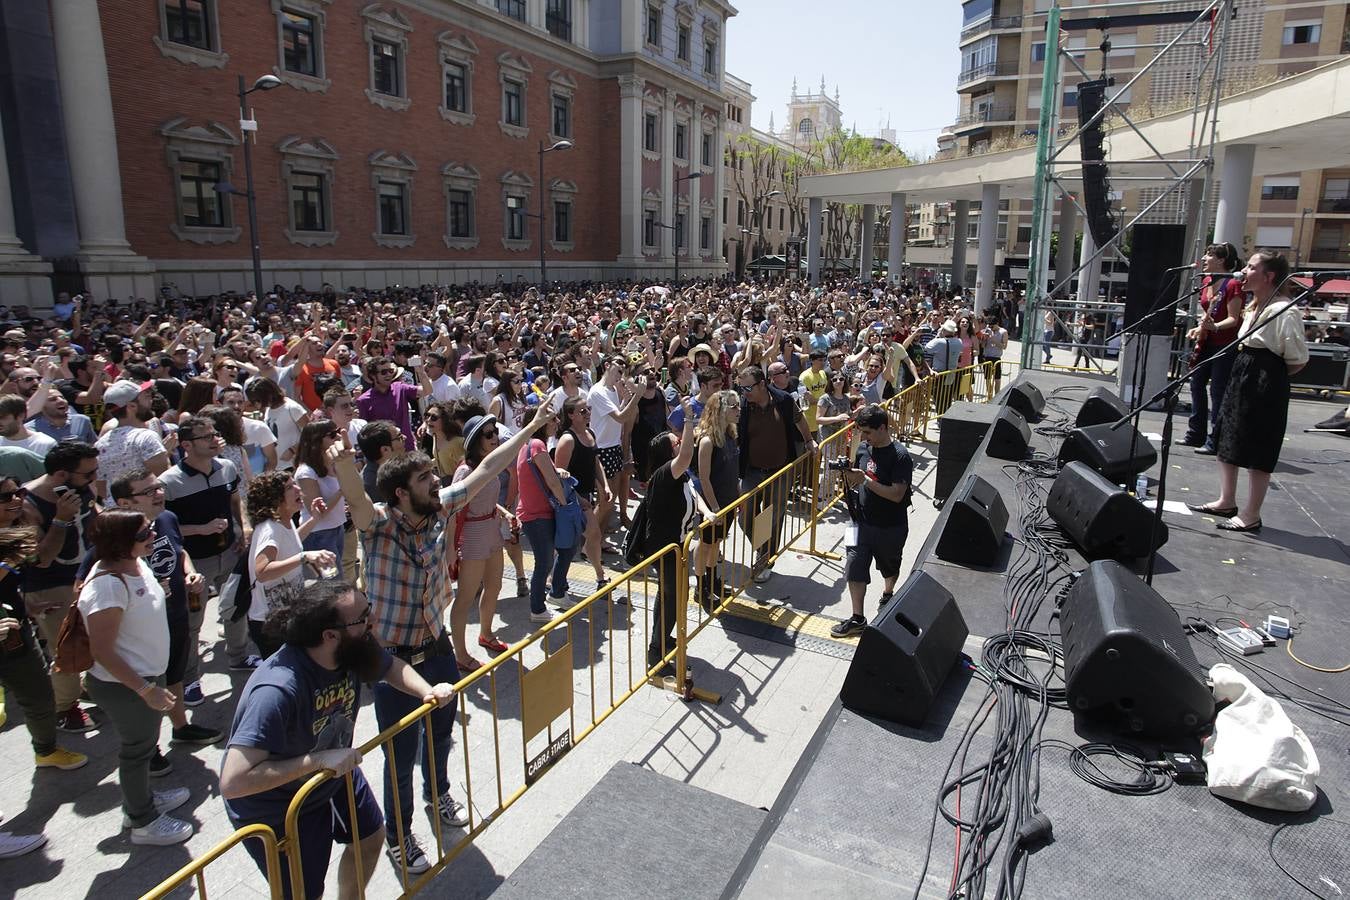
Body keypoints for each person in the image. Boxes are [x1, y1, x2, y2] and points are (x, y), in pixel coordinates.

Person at [329, 396, 555, 878]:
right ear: (400, 493)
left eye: (434, 476)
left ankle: (439, 794)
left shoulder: (441, 506)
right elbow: (357, 501)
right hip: (392, 661)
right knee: (399, 754)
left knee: (441, 735)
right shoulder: (379, 525)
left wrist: (531, 426)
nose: (437, 482)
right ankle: (399, 835)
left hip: (436, 650)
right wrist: (344, 462)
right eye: (425, 479)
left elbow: (488, 466)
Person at [220, 579, 457, 900]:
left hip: (331, 771)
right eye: (363, 617)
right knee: (304, 893)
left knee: (370, 839)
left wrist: (426, 691)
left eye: (369, 609)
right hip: (280, 807)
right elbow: (234, 781)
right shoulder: (276, 690)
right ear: (329, 635)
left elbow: (390, 667)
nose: (373, 620)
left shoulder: (352, 648)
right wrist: (317, 761)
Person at [79, 509, 196, 845]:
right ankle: (142, 820)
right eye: (144, 534)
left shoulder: (135, 563)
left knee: (145, 745)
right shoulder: (107, 587)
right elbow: (102, 651)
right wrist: (146, 690)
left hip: (147, 678)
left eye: (151, 529)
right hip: (127, 686)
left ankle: (141, 798)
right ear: (119, 543)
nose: (153, 536)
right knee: (137, 750)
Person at [108, 469, 223, 768]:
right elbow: (86, 584)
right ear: (124, 502)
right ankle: (148, 749)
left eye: (158, 487)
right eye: (148, 491)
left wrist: (190, 573)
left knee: (174, 676)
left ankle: (181, 728)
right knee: (149, 686)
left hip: (176, 615)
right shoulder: (112, 535)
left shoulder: (167, 519)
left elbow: (179, 551)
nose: (159, 493)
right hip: (141, 630)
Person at [1188, 250, 1308, 533]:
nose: (1244, 271)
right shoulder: (1255, 305)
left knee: (1258, 446)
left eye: (1252, 267)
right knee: (1227, 434)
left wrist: (1267, 376)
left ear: (1269, 276)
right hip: (1242, 372)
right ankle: (1226, 500)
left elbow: (1297, 360)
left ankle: (1251, 514)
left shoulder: (1284, 310)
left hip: (1264, 379)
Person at [158, 414, 254, 701]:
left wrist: (243, 527)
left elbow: (235, 500)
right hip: (194, 563)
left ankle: (238, 656)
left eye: (215, 434)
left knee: (236, 606)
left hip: (231, 552)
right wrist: (200, 529)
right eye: (207, 436)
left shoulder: (226, 467)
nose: (215, 440)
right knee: (191, 623)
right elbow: (163, 525)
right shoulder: (169, 482)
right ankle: (189, 680)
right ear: (186, 445)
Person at [23, 439, 101, 733]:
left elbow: (94, 517)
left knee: (94, 640)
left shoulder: (81, 487)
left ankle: (82, 686)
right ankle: (64, 708)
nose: (93, 479)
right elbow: (41, 559)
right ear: (60, 475)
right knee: (67, 649)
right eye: (88, 474)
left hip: (86, 576)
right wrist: (60, 519)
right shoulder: (28, 504)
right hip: (51, 587)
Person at [635, 399, 709, 676]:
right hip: (665, 549)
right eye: (676, 443)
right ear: (668, 453)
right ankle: (657, 656)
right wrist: (688, 419)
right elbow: (687, 456)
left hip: (677, 545)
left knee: (670, 596)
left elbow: (693, 492)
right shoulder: (665, 474)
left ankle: (663, 640)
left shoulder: (680, 476)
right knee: (672, 598)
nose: (681, 442)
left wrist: (706, 512)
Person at [830, 405, 913, 637]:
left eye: (867, 432)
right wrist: (849, 475)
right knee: (853, 566)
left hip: (890, 526)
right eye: (862, 432)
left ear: (883, 428)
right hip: (859, 522)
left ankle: (888, 592)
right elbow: (858, 478)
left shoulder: (900, 456)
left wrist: (865, 480)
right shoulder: (863, 449)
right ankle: (857, 618)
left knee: (890, 566)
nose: (864, 437)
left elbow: (896, 494)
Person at [736, 365, 815, 584]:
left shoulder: (784, 400)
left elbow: (799, 419)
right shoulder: (743, 405)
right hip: (752, 471)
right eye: (741, 388)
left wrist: (809, 440)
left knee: (773, 518)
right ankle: (763, 551)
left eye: (748, 388)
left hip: (780, 471)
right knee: (745, 519)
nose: (744, 392)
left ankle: (766, 560)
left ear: (762, 384)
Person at [244, 470, 335, 659]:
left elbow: (291, 542)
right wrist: (304, 557)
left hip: (287, 616)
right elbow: (262, 571)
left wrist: (315, 519)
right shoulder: (269, 529)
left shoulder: (284, 522)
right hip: (270, 625)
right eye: (289, 487)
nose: (298, 489)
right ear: (275, 498)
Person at [447, 415, 514, 671]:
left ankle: (486, 633)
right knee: (465, 597)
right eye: (488, 434)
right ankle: (461, 654)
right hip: (473, 536)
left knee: (494, 586)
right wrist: (451, 549)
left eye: (495, 431)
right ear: (475, 440)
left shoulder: (490, 463)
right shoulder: (465, 471)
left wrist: (505, 513)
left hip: (492, 530)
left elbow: (484, 497)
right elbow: (452, 508)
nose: (495, 436)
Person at [1181, 242, 1244, 455]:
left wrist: (1215, 327)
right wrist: (1200, 328)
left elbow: (1233, 319)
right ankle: (1195, 433)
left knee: (1217, 390)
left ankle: (1215, 439)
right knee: (1196, 384)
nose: (1204, 259)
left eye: (1209, 255)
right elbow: (1207, 313)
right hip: (1207, 342)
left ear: (1221, 260)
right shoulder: (1207, 281)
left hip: (1225, 344)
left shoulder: (1233, 284)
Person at [553, 396, 609, 590]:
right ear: (571, 415)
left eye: (588, 409)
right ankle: (600, 577)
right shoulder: (568, 440)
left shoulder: (590, 432)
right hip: (571, 498)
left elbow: (595, 462)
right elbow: (559, 476)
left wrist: (605, 485)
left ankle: (554, 577)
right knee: (590, 535)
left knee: (579, 538)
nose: (588, 413)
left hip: (586, 495)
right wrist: (578, 498)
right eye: (582, 411)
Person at [693, 390, 740, 608]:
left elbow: (733, 470)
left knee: (716, 544)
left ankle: (712, 580)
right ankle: (700, 586)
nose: (738, 410)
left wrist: (738, 495)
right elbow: (704, 478)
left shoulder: (730, 434)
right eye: (734, 406)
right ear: (720, 410)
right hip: (714, 504)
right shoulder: (707, 441)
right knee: (705, 544)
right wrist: (713, 508)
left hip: (729, 501)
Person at [94, 380, 170, 502]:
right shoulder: (146, 437)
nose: (151, 401)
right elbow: (164, 480)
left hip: (116, 510)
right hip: (148, 509)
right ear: (132, 406)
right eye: (145, 398)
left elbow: (101, 490)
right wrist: (166, 453)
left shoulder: (99, 445)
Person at [294, 420, 348, 570]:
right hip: (318, 535)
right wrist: (342, 490)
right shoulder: (305, 472)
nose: (338, 436)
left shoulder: (333, 463)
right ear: (316, 441)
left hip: (337, 528)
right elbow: (317, 513)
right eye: (332, 434)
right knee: (332, 581)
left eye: (338, 431)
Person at [246, 377, 309, 470]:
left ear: (269, 393)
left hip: (294, 464)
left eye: (258, 399)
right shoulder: (268, 409)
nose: (256, 404)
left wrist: (293, 450)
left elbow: (311, 434)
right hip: (277, 466)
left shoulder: (292, 408)